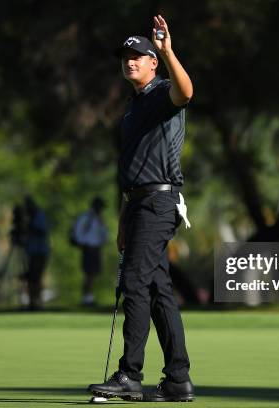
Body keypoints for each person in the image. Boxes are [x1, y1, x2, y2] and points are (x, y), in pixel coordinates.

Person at [88, 15, 195, 402]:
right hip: (137, 205)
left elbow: (187, 92)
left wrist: (167, 50)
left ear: (152, 62)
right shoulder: (131, 112)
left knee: (133, 283)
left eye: (138, 55)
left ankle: (130, 376)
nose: (130, 60)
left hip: (159, 202)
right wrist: (121, 222)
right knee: (157, 289)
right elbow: (130, 173)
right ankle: (178, 380)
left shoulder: (163, 93)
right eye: (126, 57)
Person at [73, 197, 108, 306]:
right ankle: (87, 298)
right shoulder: (86, 217)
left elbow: (104, 235)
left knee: (93, 274)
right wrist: (82, 243)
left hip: (96, 248)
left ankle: (89, 297)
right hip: (88, 248)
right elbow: (78, 232)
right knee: (89, 274)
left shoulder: (99, 219)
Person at [22, 195, 50, 311]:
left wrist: (29, 226)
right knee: (31, 277)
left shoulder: (38, 216)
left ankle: (37, 301)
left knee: (36, 277)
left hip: (40, 251)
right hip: (32, 251)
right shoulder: (30, 217)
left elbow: (42, 230)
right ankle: (32, 301)